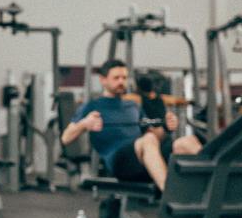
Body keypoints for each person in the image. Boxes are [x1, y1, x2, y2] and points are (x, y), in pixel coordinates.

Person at [62, 59, 202, 191]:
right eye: (116, 78)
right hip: (120, 163)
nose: (121, 82)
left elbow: (153, 136)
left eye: (124, 77)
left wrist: (165, 127)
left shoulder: (133, 106)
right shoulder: (92, 106)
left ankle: (216, 190)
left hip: (144, 158)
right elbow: (65, 138)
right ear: (103, 80)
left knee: (187, 142)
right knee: (147, 140)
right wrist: (84, 124)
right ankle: (170, 194)